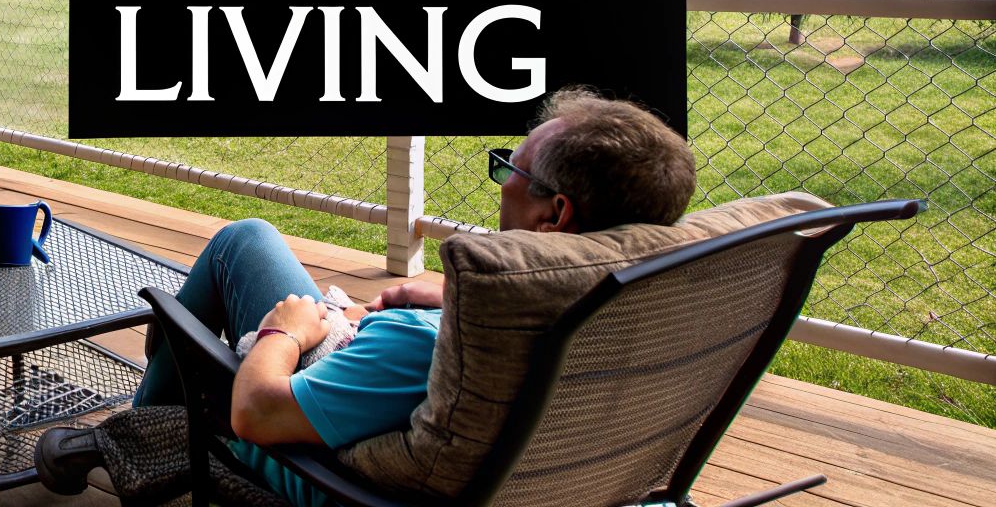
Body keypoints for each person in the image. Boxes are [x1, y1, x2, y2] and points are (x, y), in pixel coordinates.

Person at [35, 88, 698, 506]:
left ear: (554, 216)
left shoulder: (425, 343)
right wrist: (456, 294)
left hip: (324, 474)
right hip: (550, 478)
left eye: (509, 169)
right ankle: (135, 433)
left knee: (233, 254)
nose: (500, 181)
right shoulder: (660, 308)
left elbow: (259, 416)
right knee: (249, 240)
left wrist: (287, 334)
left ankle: (138, 439)